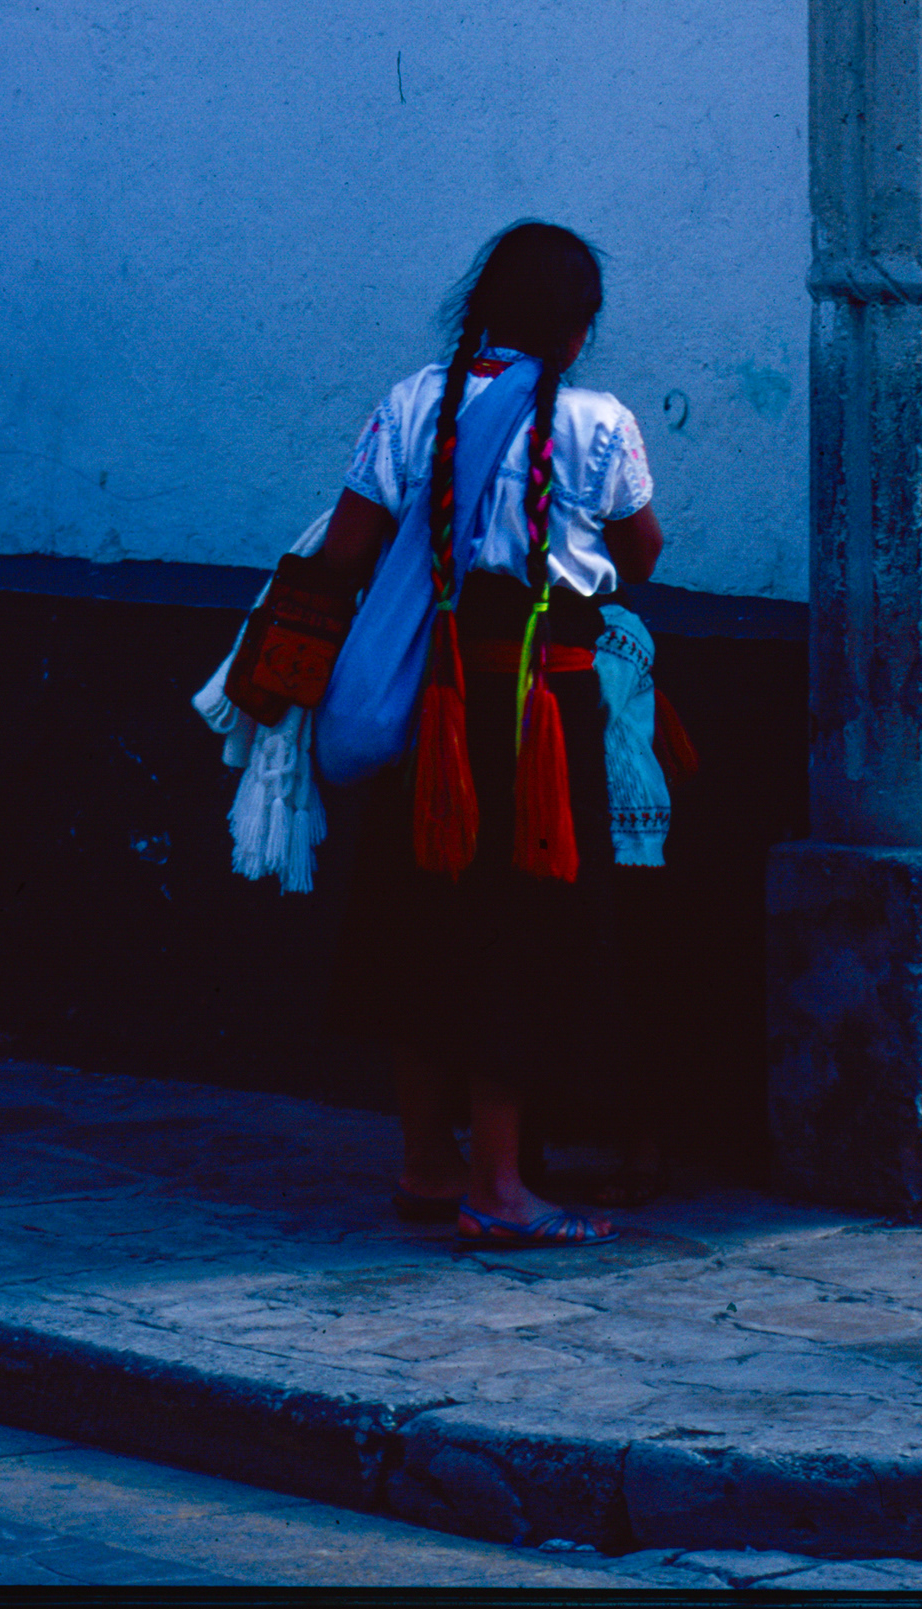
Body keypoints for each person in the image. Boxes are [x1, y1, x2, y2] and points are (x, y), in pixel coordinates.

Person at [320, 220, 663, 1248]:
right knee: (519, 932)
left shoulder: (413, 403)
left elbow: (346, 548)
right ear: (578, 327)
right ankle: (501, 1186)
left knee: (419, 916)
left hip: (426, 707)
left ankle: (429, 1166)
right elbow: (639, 555)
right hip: (538, 718)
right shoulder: (601, 425)